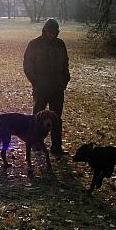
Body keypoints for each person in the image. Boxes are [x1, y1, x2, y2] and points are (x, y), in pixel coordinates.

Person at [23, 18, 70, 157]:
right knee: (37, 117)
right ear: (45, 31)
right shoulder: (34, 44)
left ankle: (56, 147)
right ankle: (36, 144)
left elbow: (65, 63)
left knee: (56, 119)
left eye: (54, 32)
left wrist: (65, 80)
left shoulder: (60, 44)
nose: (52, 34)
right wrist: (35, 83)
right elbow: (28, 65)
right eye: (50, 32)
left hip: (57, 89)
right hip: (41, 89)